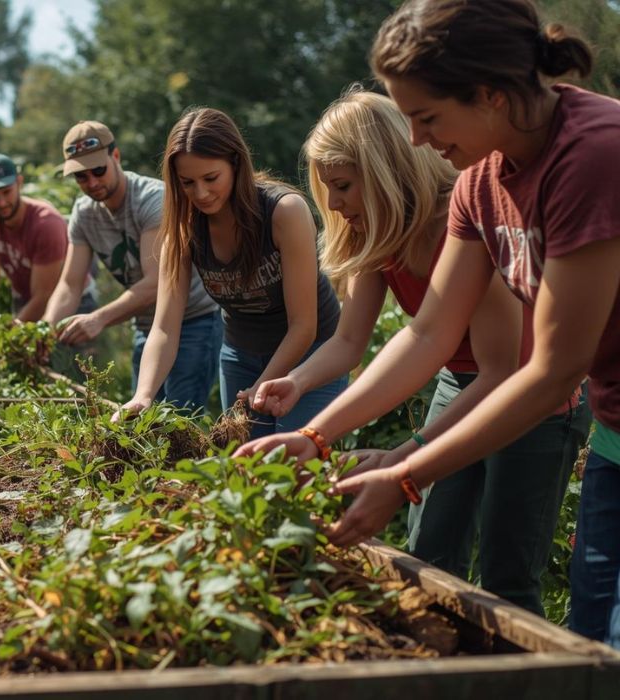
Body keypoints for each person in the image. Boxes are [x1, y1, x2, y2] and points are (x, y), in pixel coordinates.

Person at [239, 0, 619, 645]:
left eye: (427, 117)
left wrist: (408, 468)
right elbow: (428, 334)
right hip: (615, 429)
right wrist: (318, 434)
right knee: (593, 632)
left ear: (489, 95)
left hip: (568, 405)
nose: (417, 140)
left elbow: (551, 371)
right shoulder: (481, 183)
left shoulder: (593, 157)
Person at [118, 108, 344, 437]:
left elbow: (303, 326)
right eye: (187, 183)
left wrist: (263, 384)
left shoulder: (285, 212)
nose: (201, 193)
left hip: (311, 352)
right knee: (246, 470)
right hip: (240, 354)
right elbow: (166, 327)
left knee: (295, 460)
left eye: (211, 178)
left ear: (236, 164)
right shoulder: (183, 232)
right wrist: (144, 394)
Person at [43, 121, 221, 410]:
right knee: (142, 416)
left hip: (194, 322)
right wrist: (43, 332)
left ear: (116, 157)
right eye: (81, 176)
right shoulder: (84, 213)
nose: (92, 182)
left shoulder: (152, 199)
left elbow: (155, 284)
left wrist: (99, 318)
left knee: (179, 420)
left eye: (98, 170)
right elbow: (70, 284)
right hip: (146, 326)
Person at [0, 153, 92, 321]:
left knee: (65, 347)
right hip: (26, 298)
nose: (1, 202)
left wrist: (10, 336)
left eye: (6, 192)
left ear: (19, 182)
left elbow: (44, 294)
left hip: (71, 300)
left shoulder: (46, 224)